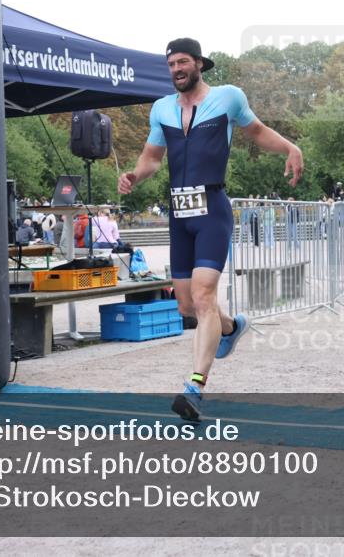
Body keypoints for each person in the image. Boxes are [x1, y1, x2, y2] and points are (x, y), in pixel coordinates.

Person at [119, 37, 303, 422]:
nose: (176, 70)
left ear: (199, 63)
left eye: (182, 62)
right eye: (170, 65)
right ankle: (232, 327)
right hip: (179, 214)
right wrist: (135, 175)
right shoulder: (162, 108)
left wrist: (290, 148)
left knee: (204, 298)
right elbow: (153, 157)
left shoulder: (228, 97)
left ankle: (194, 388)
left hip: (212, 209)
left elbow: (257, 131)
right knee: (187, 305)